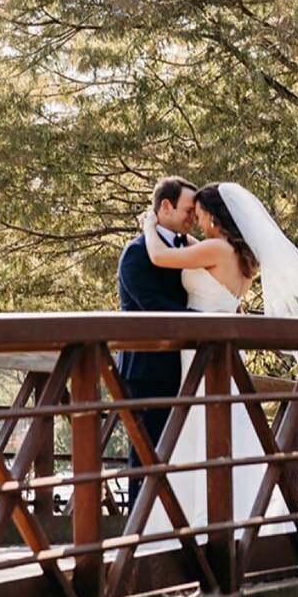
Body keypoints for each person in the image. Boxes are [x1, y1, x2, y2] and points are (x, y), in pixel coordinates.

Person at [134, 180, 298, 535]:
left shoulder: (216, 251)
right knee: (223, 433)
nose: (198, 224)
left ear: (217, 219)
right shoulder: (241, 257)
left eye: (201, 216)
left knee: (198, 435)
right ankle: (233, 520)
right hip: (222, 355)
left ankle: (196, 524)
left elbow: (159, 256)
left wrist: (147, 225)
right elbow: (191, 250)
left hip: (202, 353)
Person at [115, 175, 197, 508]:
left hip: (183, 369)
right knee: (146, 455)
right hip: (147, 371)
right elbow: (154, 307)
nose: (193, 217)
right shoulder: (136, 253)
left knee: (179, 456)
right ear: (165, 206)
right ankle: (139, 536)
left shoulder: (184, 249)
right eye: (189, 210)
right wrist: (209, 320)